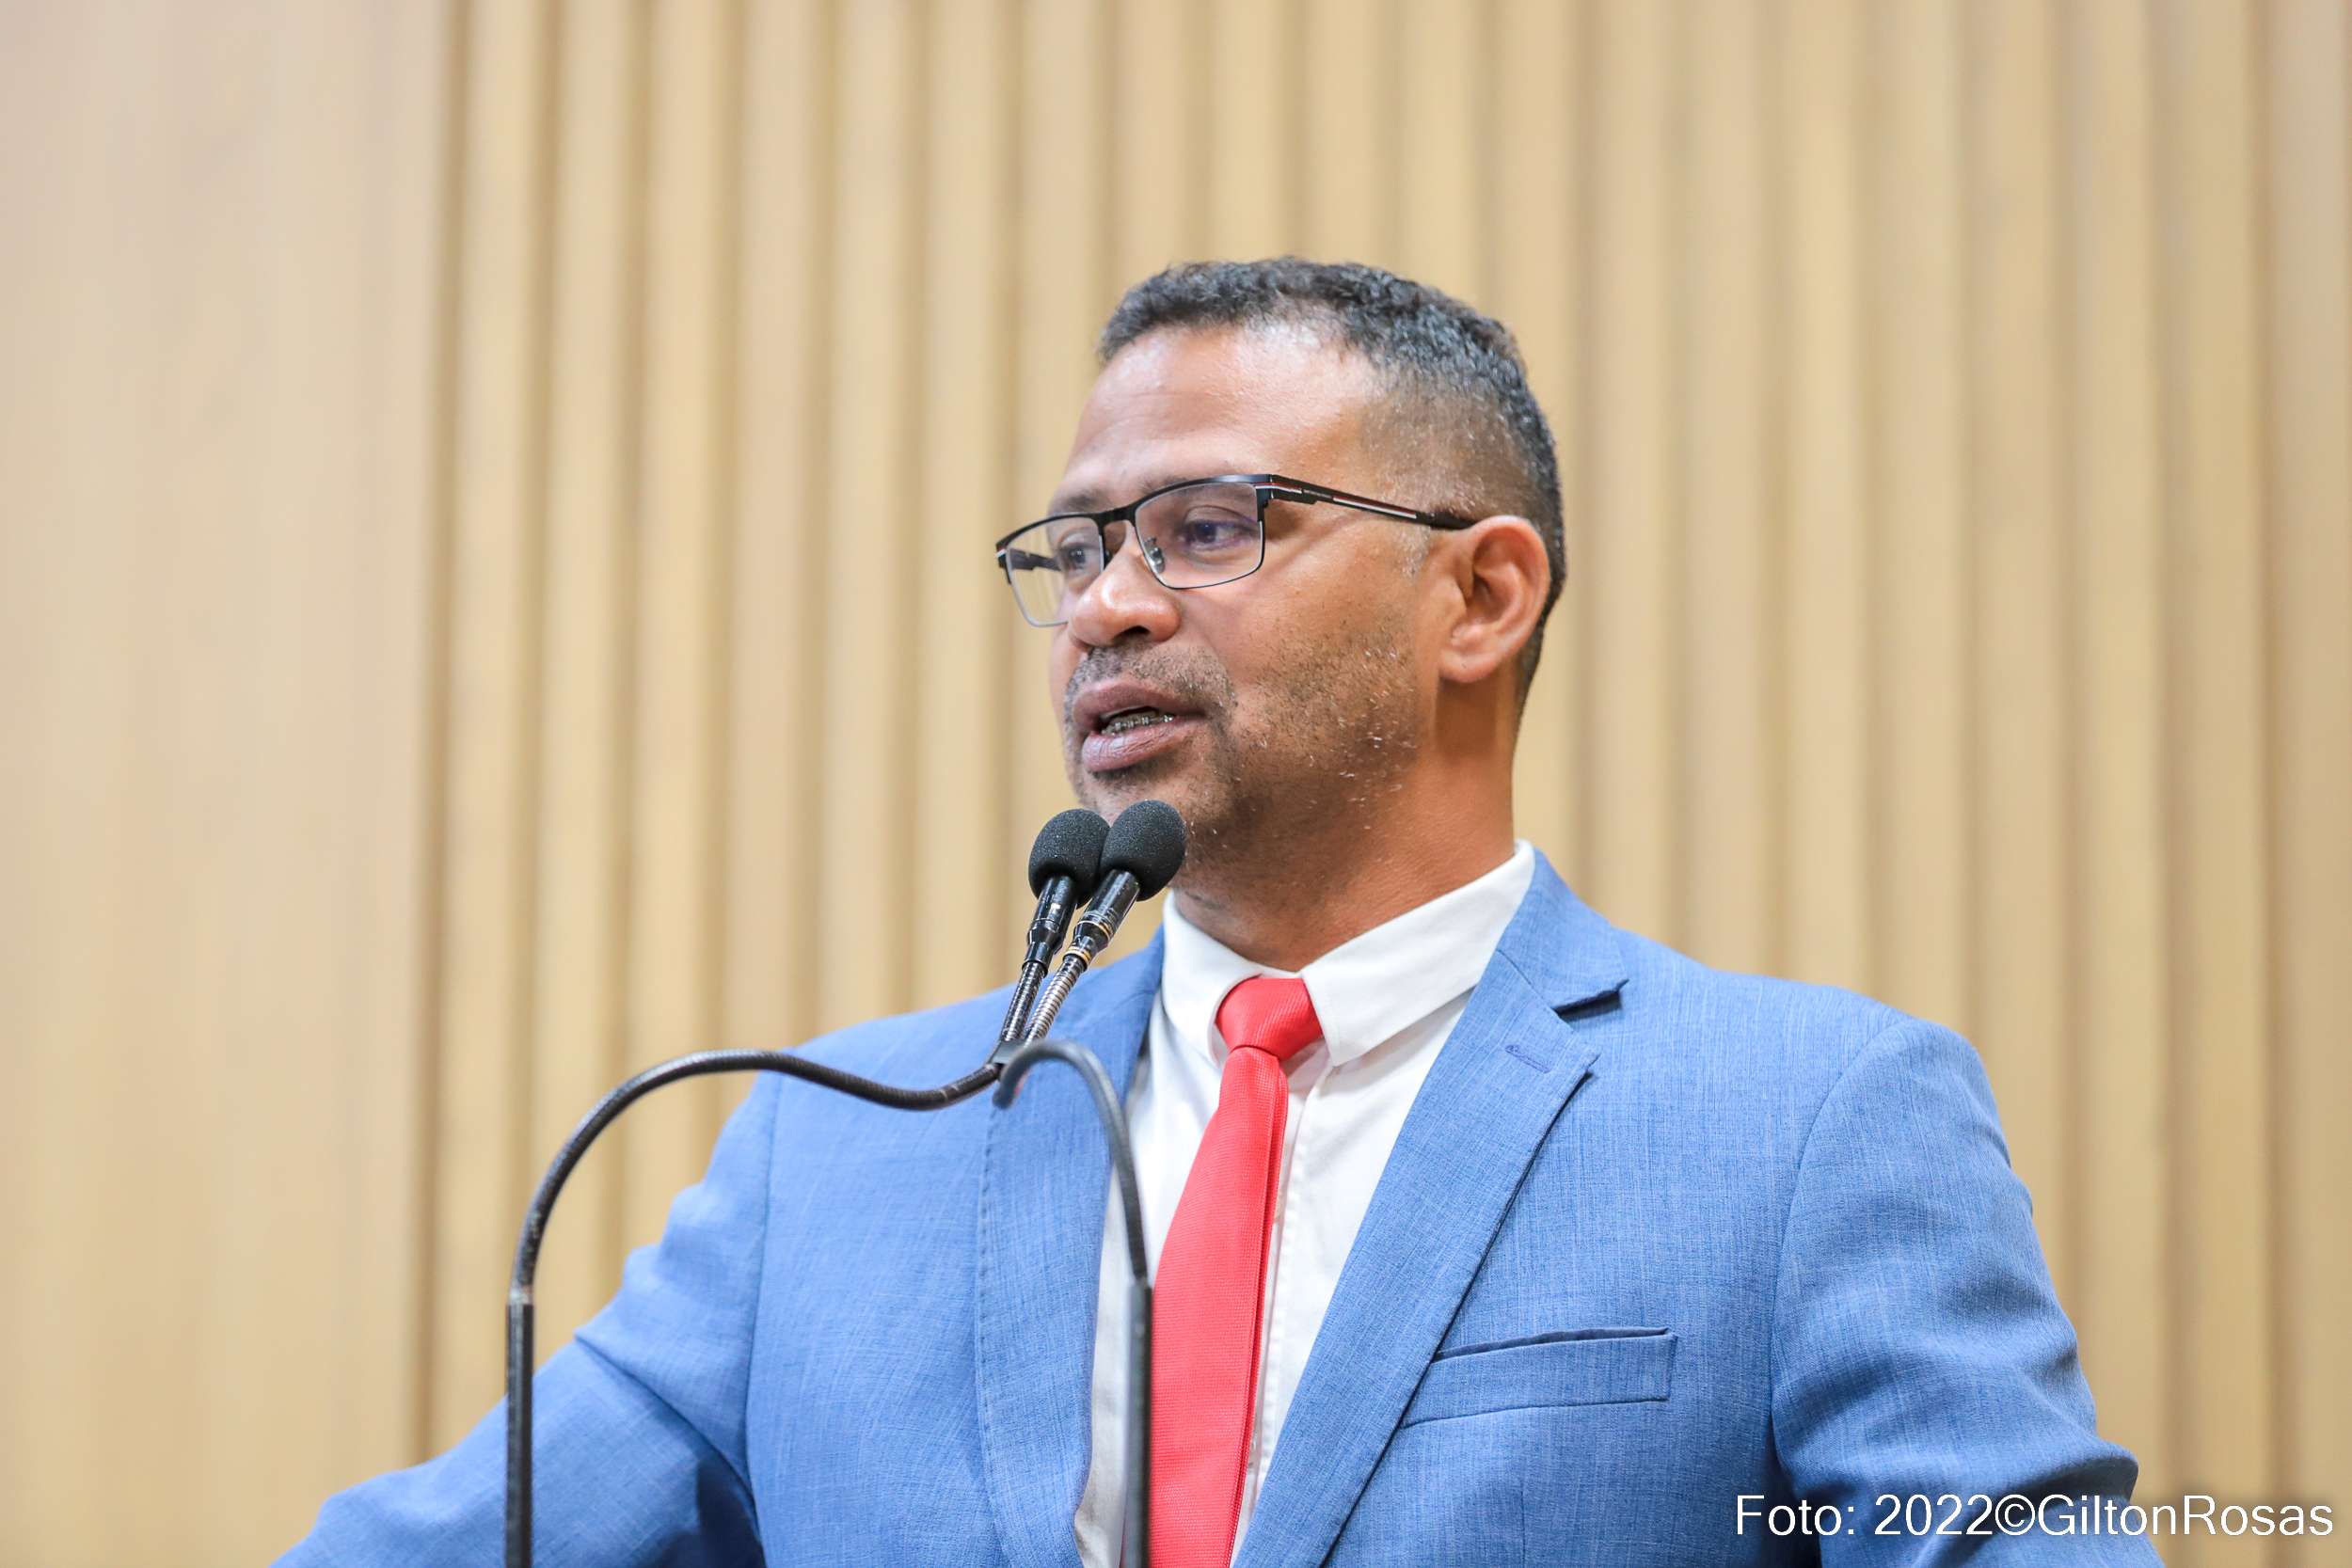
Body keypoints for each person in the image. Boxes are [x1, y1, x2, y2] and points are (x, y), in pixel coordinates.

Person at [281, 260, 2151, 1565]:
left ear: (1480, 597)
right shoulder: (833, 1158)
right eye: (1077, 547)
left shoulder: (1807, 1127)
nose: (1105, 605)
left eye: (1204, 528)